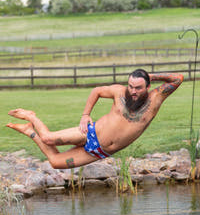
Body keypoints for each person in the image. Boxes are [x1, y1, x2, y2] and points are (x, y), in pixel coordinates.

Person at [7, 69, 184, 169]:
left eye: (138, 87)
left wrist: (148, 75)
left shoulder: (155, 99)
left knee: (55, 162)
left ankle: (29, 130)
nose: (133, 91)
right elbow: (97, 91)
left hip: (100, 151)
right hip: (91, 133)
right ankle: (31, 116)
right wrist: (85, 115)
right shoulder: (119, 92)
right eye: (131, 86)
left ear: (148, 86)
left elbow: (178, 78)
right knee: (47, 138)